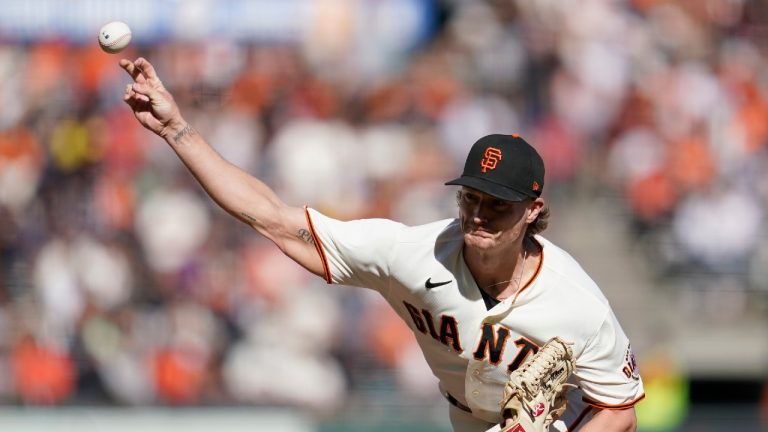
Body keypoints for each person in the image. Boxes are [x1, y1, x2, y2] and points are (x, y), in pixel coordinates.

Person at [120, 57, 645, 432]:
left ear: (532, 212)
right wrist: (177, 131)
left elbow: (620, 410)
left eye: (499, 205)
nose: (480, 215)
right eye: (472, 198)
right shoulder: (409, 254)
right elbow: (272, 219)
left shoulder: (577, 304)